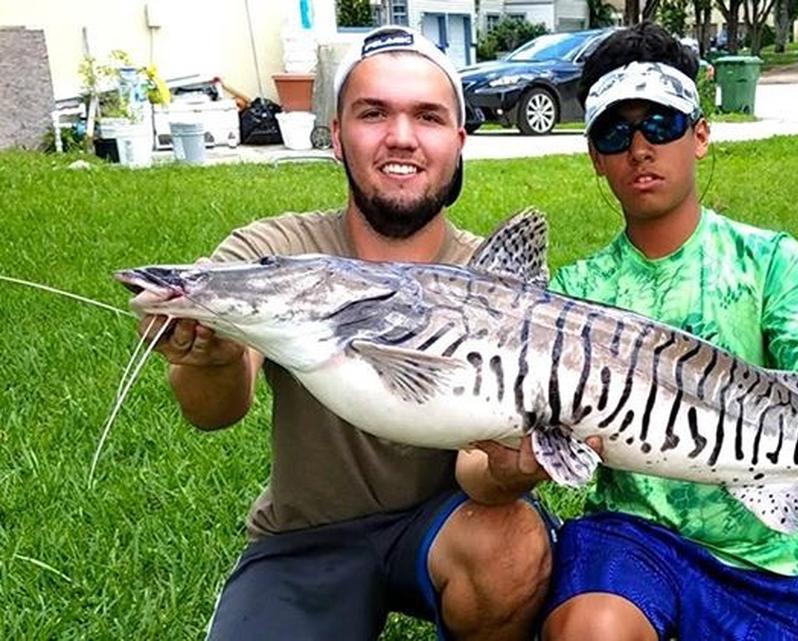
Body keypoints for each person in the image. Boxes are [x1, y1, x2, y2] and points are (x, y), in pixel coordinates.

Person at [138, 25, 557, 641]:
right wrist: (214, 356)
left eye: (428, 117)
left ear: (459, 141)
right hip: (308, 534)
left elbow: (480, 472)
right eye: (373, 113)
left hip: (449, 523)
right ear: (336, 136)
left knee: (513, 548)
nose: (401, 137)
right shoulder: (275, 251)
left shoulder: (490, 280)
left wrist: (512, 468)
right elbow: (213, 412)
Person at [539, 23, 798, 641]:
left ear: (700, 134)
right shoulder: (573, 295)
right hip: (630, 540)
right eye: (616, 133)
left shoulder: (769, 260)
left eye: (663, 125)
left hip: (761, 564)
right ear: (595, 156)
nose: (640, 148)